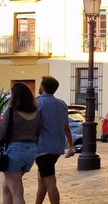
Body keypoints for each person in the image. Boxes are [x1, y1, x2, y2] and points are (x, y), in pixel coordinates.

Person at [0, 83, 40, 204]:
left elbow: (2, 132)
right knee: (7, 188)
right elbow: (37, 132)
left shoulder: (11, 111)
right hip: (31, 152)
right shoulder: (36, 112)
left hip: (15, 152)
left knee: (17, 192)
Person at [35, 76, 74, 204]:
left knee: (50, 182)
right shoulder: (62, 104)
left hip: (43, 148)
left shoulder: (38, 103)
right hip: (57, 148)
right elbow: (66, 127)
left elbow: (34, 125)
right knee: (42, 179)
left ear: (42, 87)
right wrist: (71, 146)